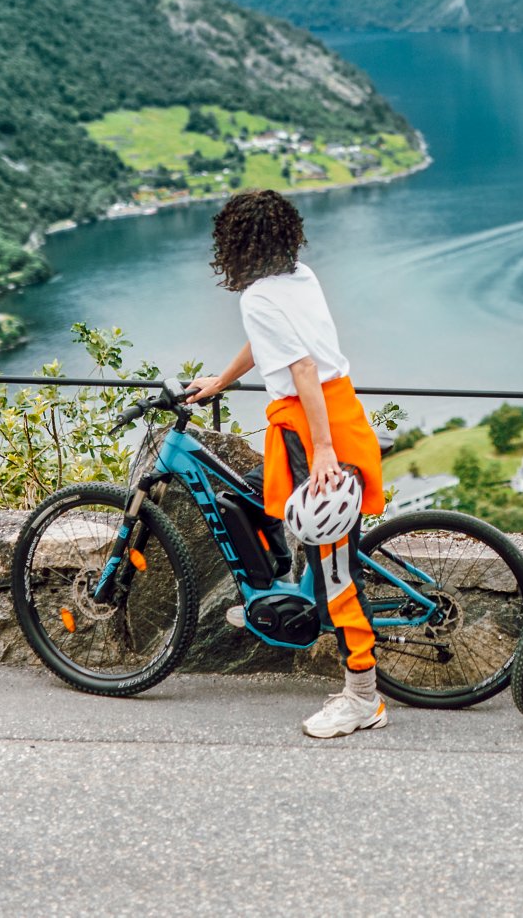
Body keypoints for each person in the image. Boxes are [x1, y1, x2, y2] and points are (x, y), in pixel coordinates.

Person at [185, 189, 389, 740]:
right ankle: (278, 600)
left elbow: (302, 368)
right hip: (322, 420)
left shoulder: (257, 297)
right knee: (241, 499)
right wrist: (220, 383)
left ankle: (362, 698)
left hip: (315, 431)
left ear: (234, 244)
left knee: (335, 576)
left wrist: (322, 453)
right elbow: (270, 343)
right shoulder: (300, 277)